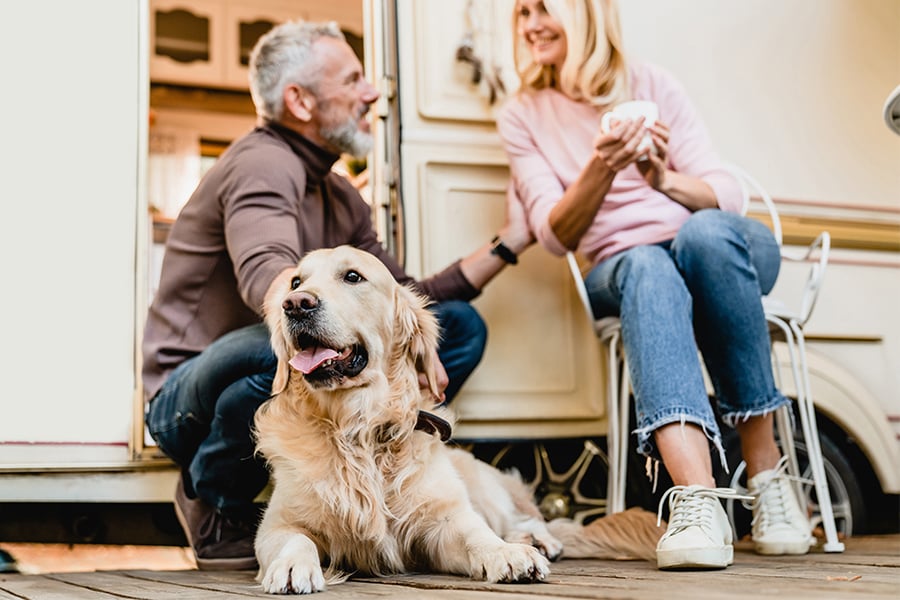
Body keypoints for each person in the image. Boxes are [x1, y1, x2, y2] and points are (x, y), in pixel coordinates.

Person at [142, 20, 533, 571]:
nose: (372, 92)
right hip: (186, 402)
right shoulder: (262, 161)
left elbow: (403, 295)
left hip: (291, 368)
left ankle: (380, 447)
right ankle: (215, 497)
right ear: (299, 100)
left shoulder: (339, 190)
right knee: (275, 343)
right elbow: (269, 278)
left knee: (461, 324)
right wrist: (309, 308)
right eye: (352, 79)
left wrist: (510, 241)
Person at [497, 0, 813, 570]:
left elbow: (727, 193)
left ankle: (768, 480)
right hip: (623, 267)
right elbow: (553, 233)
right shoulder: (522, 113)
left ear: (584, 13)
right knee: (649, 265)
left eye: (544, 8)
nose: (531, 25)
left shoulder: (652, 84)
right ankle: (696, 499)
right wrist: (602, 166)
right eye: (521, 13)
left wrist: (662, 179)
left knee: (706, 236)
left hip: (715, 253)